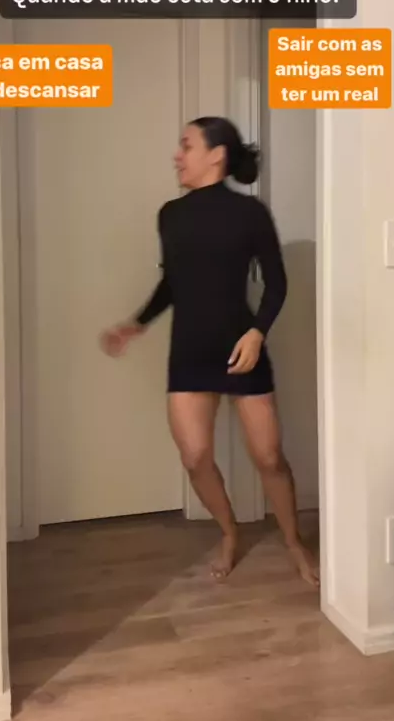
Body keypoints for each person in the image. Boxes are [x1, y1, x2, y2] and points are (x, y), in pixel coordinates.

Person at [100, 116, 319, 588]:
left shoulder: (250, 213)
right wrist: (136, 323)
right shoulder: (170, 215)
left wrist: (258, 332)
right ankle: (229, 533)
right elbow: (173, 283)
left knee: (269, 457)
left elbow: (277, 283)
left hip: (241, 348)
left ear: (216, 155)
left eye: (186, 145)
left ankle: (294, 543)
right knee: (195, 456)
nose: (177, 155)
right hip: (190, 352)